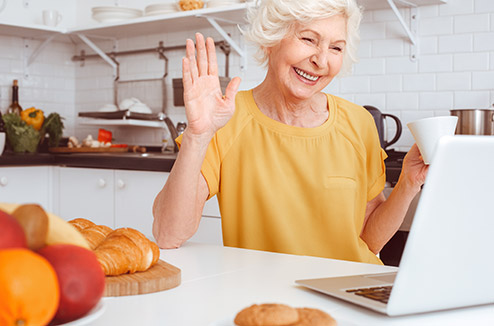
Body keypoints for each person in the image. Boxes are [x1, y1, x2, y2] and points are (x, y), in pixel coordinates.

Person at [152, 0, 427, 264]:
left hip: (348, 293)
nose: (321, 60)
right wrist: (198, 136)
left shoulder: (358, 122)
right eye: (308, 39)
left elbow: (369, 241)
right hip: (269, 301)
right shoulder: (228, 122)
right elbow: (168, 234)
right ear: (270, 39)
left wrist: (408, 185)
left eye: (336, 48)